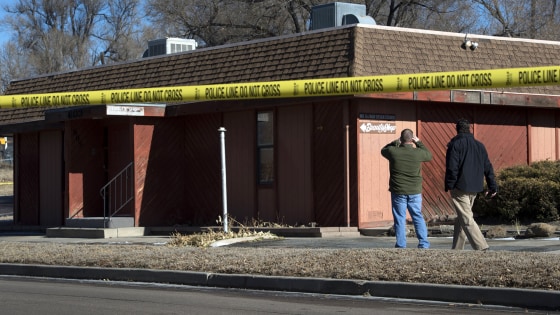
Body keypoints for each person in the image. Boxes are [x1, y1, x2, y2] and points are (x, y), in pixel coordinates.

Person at [445, 118, 498, 251]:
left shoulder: (455, 145)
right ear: (469, 129)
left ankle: (481, 246)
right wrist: (492, 186)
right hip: (475, 186)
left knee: (466, 218)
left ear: (456, 129)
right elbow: (488, 167)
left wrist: (450, 184)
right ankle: (457, 249)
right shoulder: (480, 145)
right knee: (462, 217)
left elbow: (452, 167)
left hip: (460, 186)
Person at [381, 129, 432, 249]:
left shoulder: (393, 151)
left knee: (399, 218)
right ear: (412, 139)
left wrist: (395, 142)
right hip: (414, 190)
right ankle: (424, 243)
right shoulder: (418, 152)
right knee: (417, 216)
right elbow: (429, 155)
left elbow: (383, 150)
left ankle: (401, 244)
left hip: (398, 190)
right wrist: (419, 142)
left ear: (401, 139)